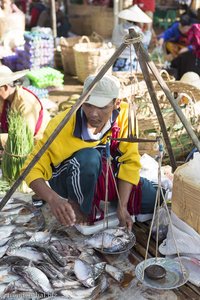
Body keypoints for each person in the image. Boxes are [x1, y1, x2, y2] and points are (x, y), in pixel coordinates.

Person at [22, 74, 164, 231]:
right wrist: (53, 199)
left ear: (116, 103)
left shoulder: (125, 116)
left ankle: (105, 199)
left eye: (102, 107)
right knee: (89, 157)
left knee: (154, 198)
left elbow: (129, 161)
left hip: (105, 174)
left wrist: (122, 206)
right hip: (70, 176)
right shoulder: (62, 124)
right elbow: (31, 168)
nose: (93, 113)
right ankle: (79, 206)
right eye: (88, 105)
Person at [0, 65, 51, 148]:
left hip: (39, 143)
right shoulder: (6, 99)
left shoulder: (26, 103)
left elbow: (24, 137)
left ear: (5, 87)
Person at [112, 4, 152, 72]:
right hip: (130, 62)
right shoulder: (136, 30)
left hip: (116, 60)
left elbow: (114, 41)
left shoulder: (117, 27)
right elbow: (146, 41)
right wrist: (148, 30)